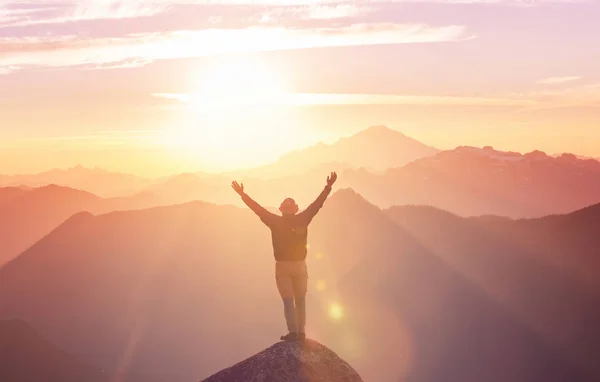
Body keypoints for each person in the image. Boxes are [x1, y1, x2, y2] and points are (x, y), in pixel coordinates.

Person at [231, 172, 337, 341]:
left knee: (288, 301)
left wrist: (243, 195)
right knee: (300, 300)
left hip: (283, 266)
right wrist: (328, 186)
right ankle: (301, 332)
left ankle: (293, 333)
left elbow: (257, 209)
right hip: (300, 266)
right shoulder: (303, 218)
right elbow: (318, 204)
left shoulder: (275, 221)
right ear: (295, 210)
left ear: (281, 210)